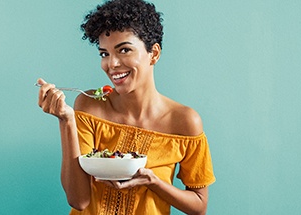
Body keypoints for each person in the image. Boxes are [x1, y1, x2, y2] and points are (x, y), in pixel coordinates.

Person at [37, 0, 215, 214]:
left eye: (124, 50)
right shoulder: (90, 105)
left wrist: (153, 182)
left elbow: (199, 206)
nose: (111, 64)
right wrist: (66, 120)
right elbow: (79, 200)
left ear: (154, 53)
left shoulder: (184, 121)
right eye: (104, 53)